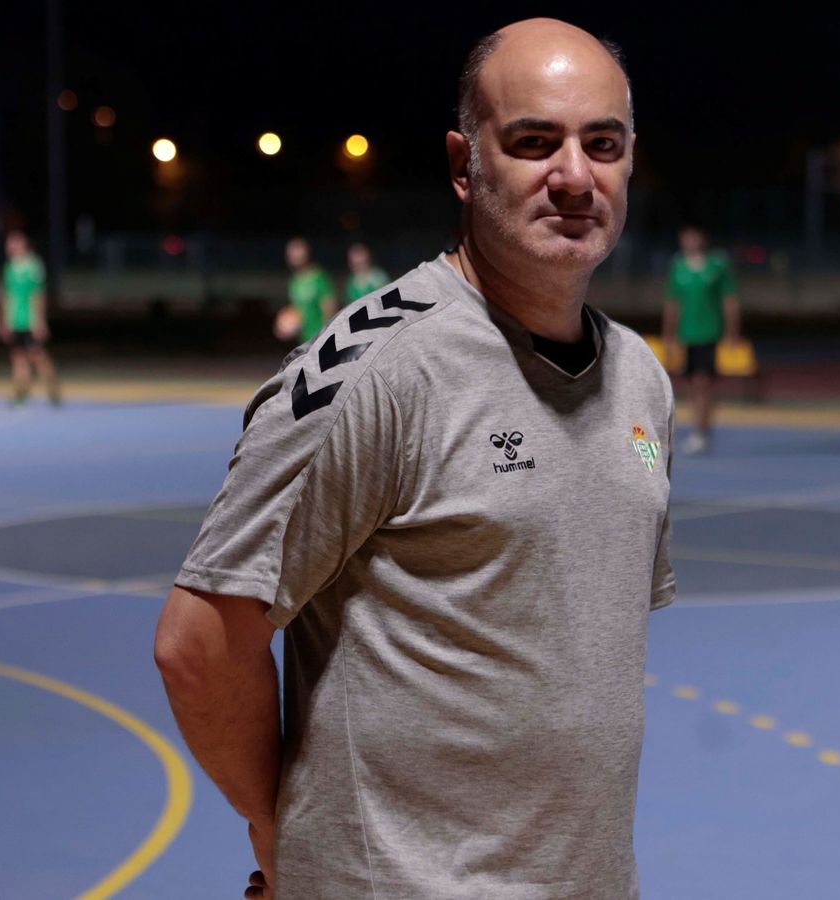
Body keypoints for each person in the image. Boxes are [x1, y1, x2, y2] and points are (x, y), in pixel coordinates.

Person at [155, 19, 674, 899]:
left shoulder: (639, 379)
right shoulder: (379, 369)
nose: (575, 176)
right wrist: (276, 826)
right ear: (464, 165)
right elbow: (199, 643)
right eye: (534, 142)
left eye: (604, 144)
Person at [663, 224, 740, 454]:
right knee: (692, 385)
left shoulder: (717, 265)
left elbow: (730, 300)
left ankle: (703, 431)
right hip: (687, 334)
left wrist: (732, 332)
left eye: (693, 237)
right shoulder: (678, 266)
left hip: (710, 333)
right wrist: (669, 334)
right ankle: (700, 427)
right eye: (685, 237)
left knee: (703, 382)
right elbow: (672, 303)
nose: (689, 241)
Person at [0, 231, 61, 407]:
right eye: (9, 243)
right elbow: (7, 295)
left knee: (37, 355)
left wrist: (39, 320)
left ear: (24, 245)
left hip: (30, 319)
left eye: (15, 243)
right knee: (18, 356)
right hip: (14, 319)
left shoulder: (34, 265)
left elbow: (38, 295)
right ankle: (20, 392)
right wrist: (2, 320)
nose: (10, 247)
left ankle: (53, 389)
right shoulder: (9, 267)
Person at [284, 237, 337, 343]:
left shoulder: (319, 278)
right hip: (304, 340)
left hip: (320, 338)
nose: (294, 257)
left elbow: (330, 307)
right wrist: (287, 325)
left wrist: (328, 335)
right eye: (291, 254)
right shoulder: (294, 281)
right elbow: (297, 309)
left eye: (297, 252)